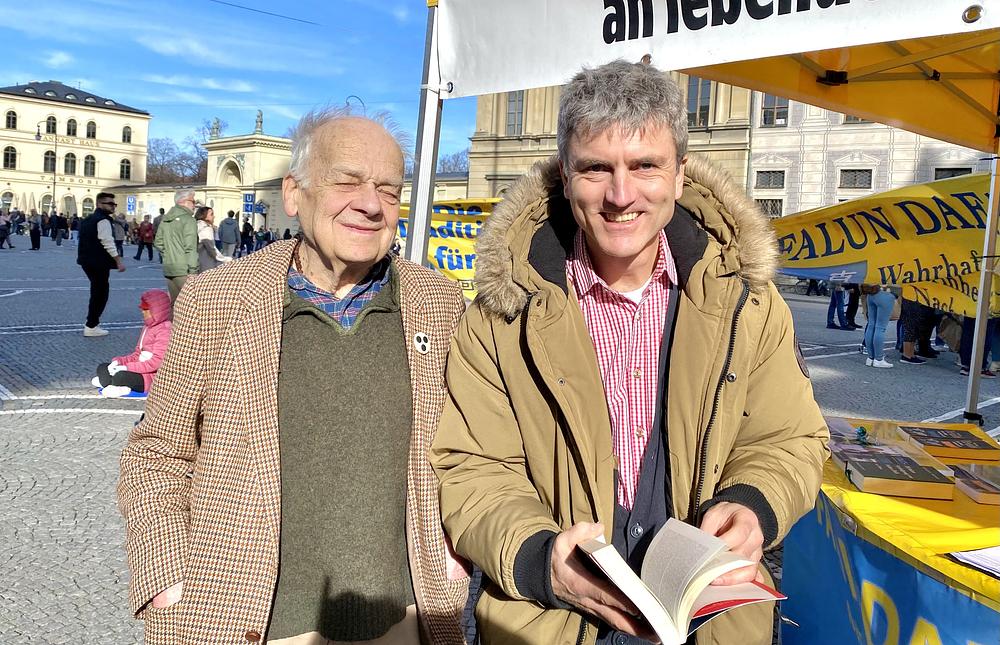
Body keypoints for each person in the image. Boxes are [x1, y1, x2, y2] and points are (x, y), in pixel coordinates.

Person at [430, 60, 829, 645]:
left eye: (645, 165)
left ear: (680, 173)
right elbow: (472, 468)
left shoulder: (748, 302)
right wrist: (541, 560)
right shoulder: (499, 316)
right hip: (552, 623)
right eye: (597, 168)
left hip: (710, 622)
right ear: (565, 177)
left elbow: (789, 439)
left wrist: (753, 505)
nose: (621, 195)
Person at [117, 109, 468, 645]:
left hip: (405, 617)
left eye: (389, 190)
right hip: (244, 619)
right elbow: (156, 453)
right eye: (346, 181)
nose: (371, 204)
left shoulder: (437, 303)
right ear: (294, 193)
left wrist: (457, 553)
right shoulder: (218, 299)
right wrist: (166, 577)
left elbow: (470, 452)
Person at [93, 289, 172, 397]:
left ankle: (111, 383)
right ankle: (110, 381)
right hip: (138, 368)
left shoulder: (165, 330)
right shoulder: (147, 327)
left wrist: (127, 367)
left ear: (156, 310)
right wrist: (119, 361)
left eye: (146, 309)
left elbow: (157, 362)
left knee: (120, 376)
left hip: (150, 376)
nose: (142, 312)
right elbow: (137, 354)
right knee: (103, 367)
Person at [78, 193, 126, 336]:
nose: (113, 206)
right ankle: (91, 325)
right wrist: (118, 261)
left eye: (114, 204)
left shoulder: (89, 219)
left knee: (97, 291)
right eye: (109, 204)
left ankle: (92, 323)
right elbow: (108, 242)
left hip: (86, 260)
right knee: (100, 293)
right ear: (99, 204)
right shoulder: (103, 220)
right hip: (98, 261)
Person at [153, 190, 199, 302]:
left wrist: (169, 254)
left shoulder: (167, 218)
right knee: (191, 304)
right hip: (184, 269)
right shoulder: (188, 220)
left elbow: (158, 242)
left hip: (169, 267)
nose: (195, 205)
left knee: (174, 304)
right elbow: (190, 247)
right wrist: (193, 271)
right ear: (183, 201)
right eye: (193, 201)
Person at [862, 284, 897, 368]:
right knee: (880, 327)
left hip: (871, 293)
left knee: (871, 325)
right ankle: (879, 359)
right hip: (885, 293)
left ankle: (870, 358)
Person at [195, 206, 231, 273]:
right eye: (211, 214)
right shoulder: (205, 228)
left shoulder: (196, 225)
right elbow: (211, 248)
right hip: (206, 262)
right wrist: (224, 259)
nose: (214, 216)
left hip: (197, 261)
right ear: (204, 216)